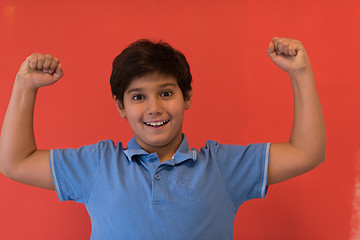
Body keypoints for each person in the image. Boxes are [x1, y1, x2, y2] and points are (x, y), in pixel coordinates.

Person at [0, 37, 326, 239]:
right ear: (120, 107)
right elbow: (15, 162)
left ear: (187, 97)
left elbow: (307, 152)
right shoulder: (98, 165)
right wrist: (25, 86)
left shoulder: (223, 167)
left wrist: (300, 73)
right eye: (138, 97)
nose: (154, 108)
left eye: (166, 93)